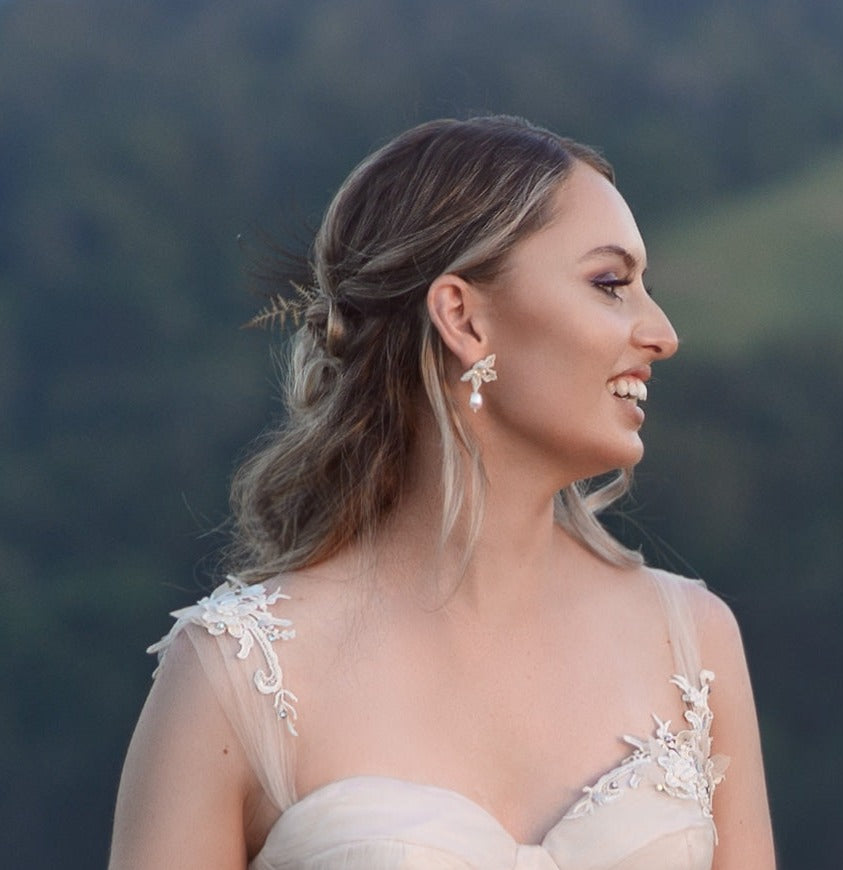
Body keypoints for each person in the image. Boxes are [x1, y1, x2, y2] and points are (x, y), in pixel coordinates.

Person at [109, 116, 776, 869]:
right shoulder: (233, 673)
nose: (662, 333)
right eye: (610, 284)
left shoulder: (693, 641)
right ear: (462, 316)